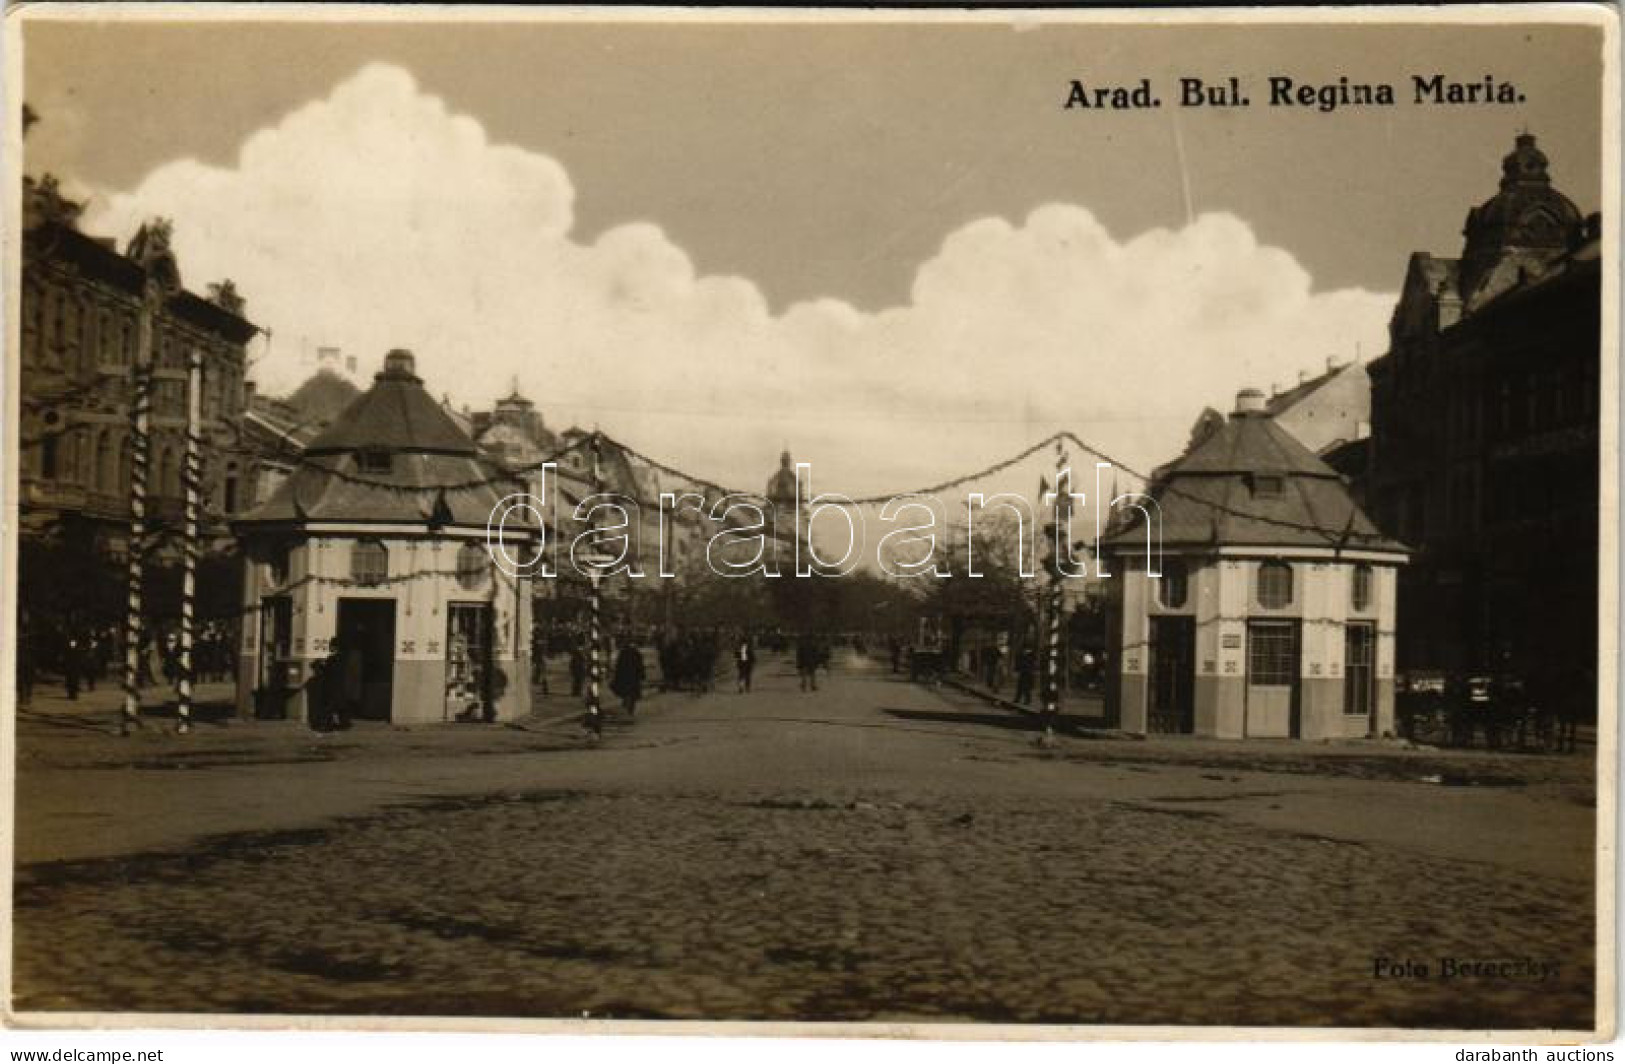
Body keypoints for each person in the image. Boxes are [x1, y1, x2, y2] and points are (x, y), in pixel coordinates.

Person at [610, 636, 646, 718]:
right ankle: (629, 711)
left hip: (626, 678)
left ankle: (627, 709)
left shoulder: (623, 653)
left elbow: (618, 666)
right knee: (631, 695)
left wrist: (616, 676)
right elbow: (640, 666)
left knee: (627, 693)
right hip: (633, 678)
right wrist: (642, 675)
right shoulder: (635, 653)